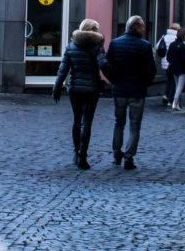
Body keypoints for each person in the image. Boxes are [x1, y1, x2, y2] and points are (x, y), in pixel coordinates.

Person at [102, 14, 157, 169]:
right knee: (135, 125)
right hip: (137, 91)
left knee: (118, 123)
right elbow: (151, 70)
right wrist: (145, 83)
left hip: (120, 90)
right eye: (142, 26)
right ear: (136, 28)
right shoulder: (144, 45)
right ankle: (129, 156)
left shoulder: (115, 43)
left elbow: (107, 65)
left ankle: (116, 153)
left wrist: (114, 80)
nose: (144, 29)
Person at [52, 17, 106, 168]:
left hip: (75, 88)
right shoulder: (97, 47)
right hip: (91, 89)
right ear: (92, 31)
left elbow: (63, 68)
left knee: (77, 120)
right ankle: (83, 155)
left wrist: (57, 86)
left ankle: (76, 152)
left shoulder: (71, 47)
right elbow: (103, 64)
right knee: (86, 122)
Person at [163, 24, 185, 109]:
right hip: (182, 69)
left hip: (174, 68)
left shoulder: (172, 45)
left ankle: (177, 104)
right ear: (184, 36)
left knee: (176, 85)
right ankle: (175, 103)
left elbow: (168, 57)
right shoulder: (184, 46)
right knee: (180, 87)